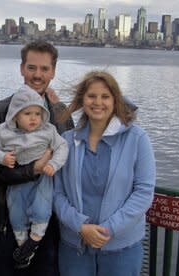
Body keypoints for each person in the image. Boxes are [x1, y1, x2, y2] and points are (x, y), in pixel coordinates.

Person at [0, 41, 74, 276]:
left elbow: (70, 163)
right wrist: (32, 169)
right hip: (7, 221)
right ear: (22, 69)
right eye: (32, 68)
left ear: (53, 71)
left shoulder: (61, 116)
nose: (37, 75)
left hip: (50, 223)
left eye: (44, 69)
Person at [53, 71, 156, 276]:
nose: (98, 102)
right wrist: (81, 226)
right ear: (83, 99)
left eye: (105, 97)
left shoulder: (137, 138)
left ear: (115, 101)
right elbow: (57, 193)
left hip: (122, 249)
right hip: (75, 247)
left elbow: (143, 192)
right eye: (92, 96)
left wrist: (107, 230)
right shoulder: (66, 141)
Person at [0, 85, 68, 268]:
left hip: (43, 178)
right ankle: (24, 248)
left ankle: (34, 240)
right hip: (17, 179)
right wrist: (2, 157)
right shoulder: (3, 131)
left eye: (37, 114)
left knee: (41, 208)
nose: (33, 118)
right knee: (16, 210)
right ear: (15, 115)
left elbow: (63, 147)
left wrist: (53, 164)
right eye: (27, 113)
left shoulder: (48, 130)